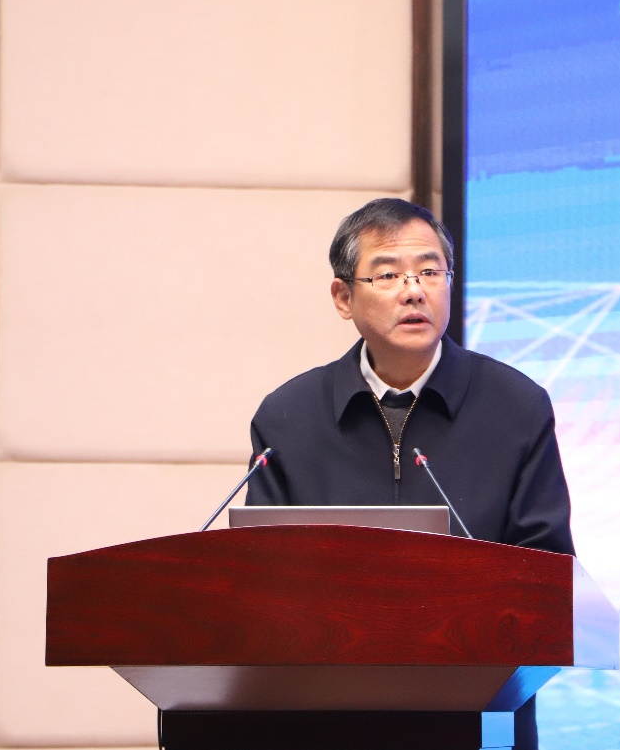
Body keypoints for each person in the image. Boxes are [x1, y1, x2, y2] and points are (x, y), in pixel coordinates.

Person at [246, 197, 574, 749]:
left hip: (479, 725)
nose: (414, 290)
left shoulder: (515, 407)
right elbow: (263, 586)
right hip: (325, 725)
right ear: (343, 297)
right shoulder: (289, 417)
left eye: (429, 271)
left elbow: (550, 583)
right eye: (388, 275)